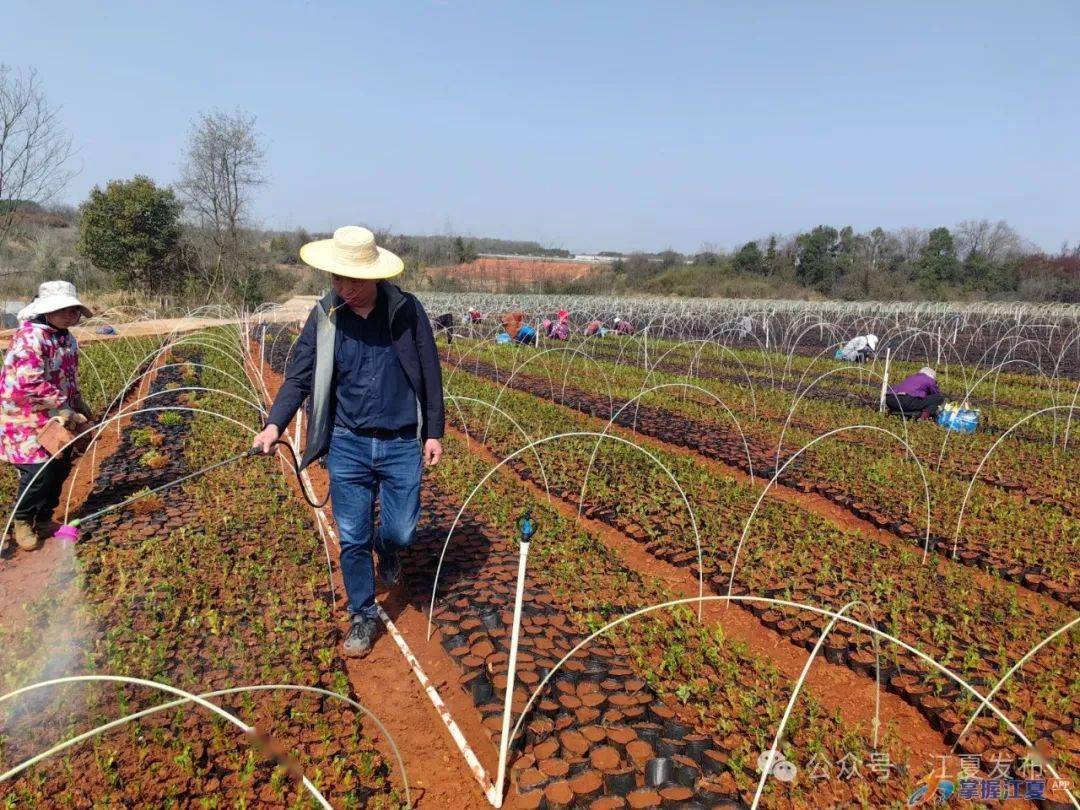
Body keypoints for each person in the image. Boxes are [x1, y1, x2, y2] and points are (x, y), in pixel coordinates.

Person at [252, 226, 444, 658]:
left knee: (400, 529)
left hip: (399, 443)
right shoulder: (325, 316)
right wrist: (273, 425)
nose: (343, 288)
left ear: (374, 276)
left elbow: (430, 372)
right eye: (336, 279)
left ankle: (389, 548)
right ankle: (362, 613)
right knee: (353, 535)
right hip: (348, 443)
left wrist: (433, 432)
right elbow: (299, 375)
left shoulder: (406, 311)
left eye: (351, 280)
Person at [1, 281, 94, 551]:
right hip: (25, 417)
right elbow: (27, 382)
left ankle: (42, 518)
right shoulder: (30, 337)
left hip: (55, 415)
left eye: (73, 309)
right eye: (63, 309)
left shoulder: (66, 338)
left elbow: (69, 375)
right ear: (45, 311)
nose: (70, 314)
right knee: (37, 470)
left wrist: (77, 400)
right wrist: (62, 405)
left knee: (61, 463)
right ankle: (21, 521)